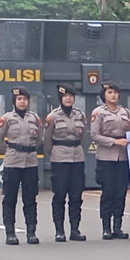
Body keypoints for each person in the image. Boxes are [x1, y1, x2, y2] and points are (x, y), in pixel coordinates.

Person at [0, 86, 43, 245]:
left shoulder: (34, 118)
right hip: (13, 162)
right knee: (10, 198)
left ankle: (31, 232)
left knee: (30, 198)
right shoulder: (7, 118)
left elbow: (39, 139)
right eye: (19, 99)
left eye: (25, 99)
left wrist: (29, 149)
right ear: (14, 101)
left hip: (30, 162)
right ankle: (10, 233)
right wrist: (10, 151)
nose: (22, 102)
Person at [43, 84, 87, 242]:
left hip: (77, 158)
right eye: (65, 96)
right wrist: (55, 152)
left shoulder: (80, 115)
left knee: (76, 195)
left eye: (71, 96)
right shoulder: (53, 116)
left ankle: (75, 230)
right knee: (60, 194)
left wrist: (76, 149)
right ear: (60, 98)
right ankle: (59, 230)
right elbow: (47, 140)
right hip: (59, 158)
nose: (68, 98)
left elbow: (83, 138)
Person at [92, 81, 130, 240]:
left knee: (120, 193)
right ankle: (106, 227)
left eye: (115, 92)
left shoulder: (125, 112)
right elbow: (94, 136)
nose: (113, 95)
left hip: (123, 157)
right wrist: (114, 142)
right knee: (108, 192)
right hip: (106, 157)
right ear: (104, 95)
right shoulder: (99, 112)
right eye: (109, 92)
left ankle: (117, 226)